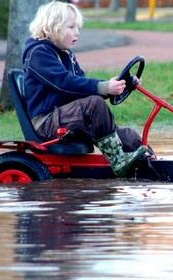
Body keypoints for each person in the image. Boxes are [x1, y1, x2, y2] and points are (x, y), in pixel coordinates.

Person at [23, 1, 147, 177]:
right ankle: (118, 161)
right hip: (48, 121)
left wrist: (117, 85)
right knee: (94, 104)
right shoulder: (38, 53)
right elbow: (64, 83)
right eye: (71, 27)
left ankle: (151, 163)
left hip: (68, 116)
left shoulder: (66, 54)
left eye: (77, 27)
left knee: (130, 137)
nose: (77, 33)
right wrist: (103, 88)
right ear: (54, 27)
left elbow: (81, 84)